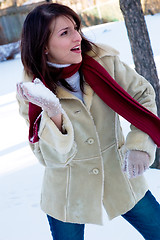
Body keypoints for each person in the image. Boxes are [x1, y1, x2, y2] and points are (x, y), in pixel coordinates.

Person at [16, 3, 160, 240]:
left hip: (120, 175)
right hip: (68, 192)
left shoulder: (104, 61)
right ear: (43, 46)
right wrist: (53, 111)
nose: (78, 37)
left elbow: (142, 95)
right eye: (65, 33)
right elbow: (49, 157)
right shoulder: (31, 91)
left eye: (76, 28)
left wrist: (139, 145)